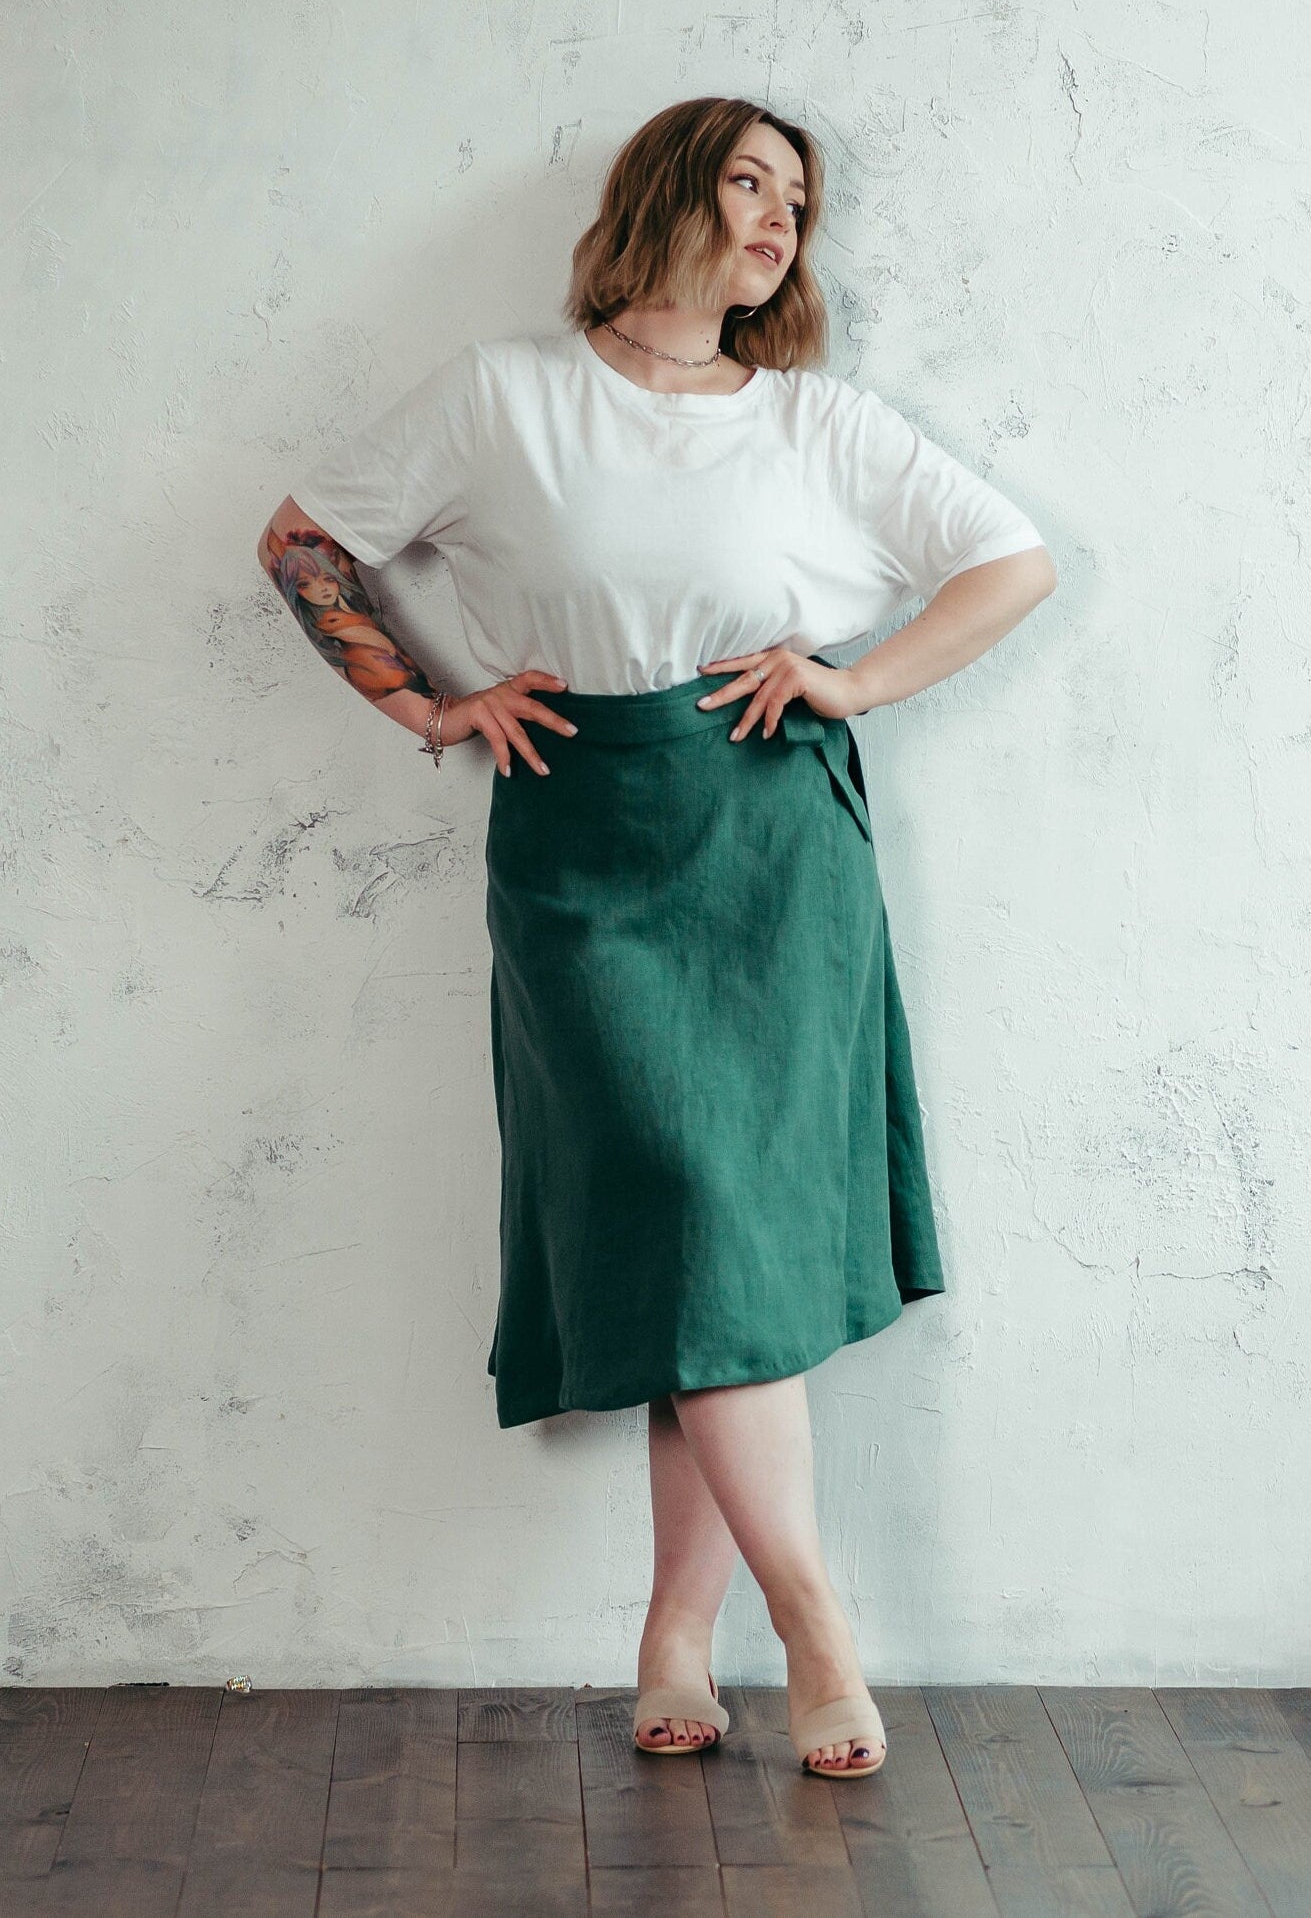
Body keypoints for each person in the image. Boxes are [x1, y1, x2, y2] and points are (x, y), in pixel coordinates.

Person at [257, 96, 1056, 1781]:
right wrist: (431, 701)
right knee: (688, 1217)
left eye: (800, 198)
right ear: (665, 196)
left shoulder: (817, 421)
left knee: (726, 1251)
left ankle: (683, 1634)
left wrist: (854, 678)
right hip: (580, 837)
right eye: (748, 182)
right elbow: (303, 539)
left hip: (770, 841)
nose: (778, 219)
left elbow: (1009, 563)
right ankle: (817, 1623)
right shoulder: (505, 396)